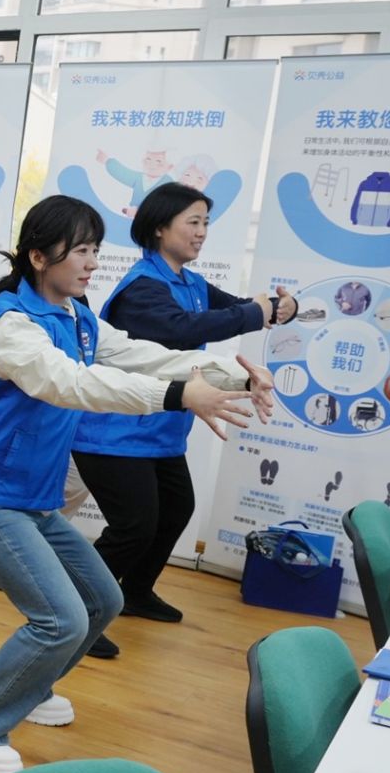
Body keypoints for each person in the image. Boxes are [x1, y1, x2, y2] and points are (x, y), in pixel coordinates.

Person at [0, 195, 273, 773]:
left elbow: (142, 356)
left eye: (95, 250)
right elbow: (74, 384)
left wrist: (235, 375)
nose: (92, 263)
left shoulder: (78, 317)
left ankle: (29, 688)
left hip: (31, 497)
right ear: (39, 257)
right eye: (81, 251)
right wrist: (178, 396)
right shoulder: (12, 325)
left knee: (102, 601)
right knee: (61, 619)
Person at [69, 183, 296, 627]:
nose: (202, 232)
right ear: (159, 228)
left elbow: (239, 308)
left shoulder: (190, 283)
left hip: (159, 431)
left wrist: (283, 306)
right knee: (133, 527)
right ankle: (77, 612)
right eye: (193, 222)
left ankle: (135, 592)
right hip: (115, 431)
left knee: (176, 510)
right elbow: (184, 328)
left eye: (206, 222)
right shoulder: (142, 288)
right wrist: (258, 312)